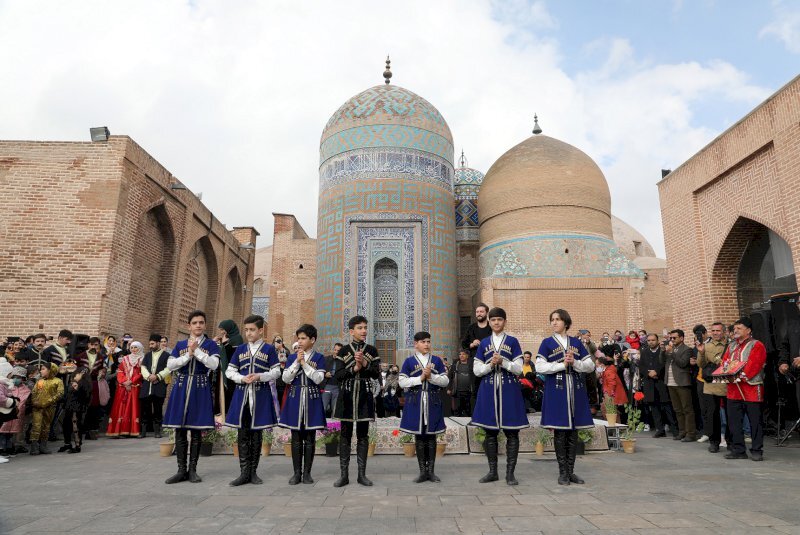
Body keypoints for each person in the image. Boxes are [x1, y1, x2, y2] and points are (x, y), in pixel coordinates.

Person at [536, 309, 595, 486]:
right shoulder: (547, 343)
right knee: (560, 431)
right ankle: (562, 472)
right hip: (557, 390)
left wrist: (575, 362)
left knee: (573, 431)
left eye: (558, 319)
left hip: (575, 390)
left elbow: (590, 365)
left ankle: (571, 471)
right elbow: (540, 367)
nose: (554, 322)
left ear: (566, 323)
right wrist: (561, 365)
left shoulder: (576, 342)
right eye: (552, 319)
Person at [471, 307, 527, 486]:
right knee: (490, 433)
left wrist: (503, 362)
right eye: (493, 320)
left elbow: (519, 368)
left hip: (509, 390)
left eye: (499, 319)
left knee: (512, 433)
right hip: (488, 390)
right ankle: (492, 472)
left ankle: (510, 474)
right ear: (489, 322)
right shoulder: (484, 343)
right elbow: (477, 370)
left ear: (505, 321)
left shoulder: (512, 341)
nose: (496, 322)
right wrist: (490, 365)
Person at [163, 310, 220, 484]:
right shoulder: (181, 344)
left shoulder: (211, 345)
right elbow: (170, 365)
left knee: (196, 430)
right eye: (194, 323)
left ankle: (193, 470)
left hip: (199, 388)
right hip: (181, 387)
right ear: (189, 326)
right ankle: (181, 470)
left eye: (201, 322)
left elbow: (214, 364)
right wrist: (188, 354)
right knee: (179, 430)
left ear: (205, 325)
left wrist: (197, 352)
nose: (198, 325)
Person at [226, 314, 281, 486]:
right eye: (246, 330)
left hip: (260, 395)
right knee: (243, 434)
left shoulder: (269, 349)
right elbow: (229, 371)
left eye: (252, 330)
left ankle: (253, 472)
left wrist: (260, 376)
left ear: (261, 330)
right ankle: (244, 473)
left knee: (257, 434)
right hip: (242, 395)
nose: (248, 333)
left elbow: (276, 372)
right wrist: (241, 378)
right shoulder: (240, 349)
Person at [332, 315, 380, 487]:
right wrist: (354, 368)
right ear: (351, 331)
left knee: (363, 435)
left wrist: (365, 365)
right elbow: (338, 375)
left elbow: (376, 373)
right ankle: (344, 475)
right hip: (347, 395)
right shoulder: (344, 351)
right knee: (344, 435)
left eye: (365, 327)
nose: (364, 331)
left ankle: (361, 475)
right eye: (360, 328)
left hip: (364, 396)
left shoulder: (372, 350)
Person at [399, 331, 449, 483]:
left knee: (431, 436)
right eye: (423, 342)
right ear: (416, 344)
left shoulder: (437, 361)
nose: (426, 344)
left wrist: (431, 377)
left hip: (432, 400)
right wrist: (420, 378)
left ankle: (431, 472)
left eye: (428, 341)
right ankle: (422, 472)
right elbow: (402, 382)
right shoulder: (409, 362)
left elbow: (445, 381)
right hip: (416, 401)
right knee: (419, 436)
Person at [280, 323, 326, 485]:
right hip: (295, 397)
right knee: (296, 437)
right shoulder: (291, 358)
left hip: (312, 399)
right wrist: (296, 363)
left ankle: (307, 473)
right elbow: (285, 378)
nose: (299, 341)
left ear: (312, 340)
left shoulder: (319, 358)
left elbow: (319, 379)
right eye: (298, 338)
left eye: (303, 338)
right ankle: (296, 473)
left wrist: (305, 364)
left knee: (309, 437)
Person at [721, 318, 767, 461]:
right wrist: (725, 372)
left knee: (755, 422)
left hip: (751, 389)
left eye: (739, 328)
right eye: (735, 328)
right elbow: (725, 362)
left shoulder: (756, 345)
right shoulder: (731, 346)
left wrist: (739, 375)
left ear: (748, 330)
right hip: (733, 389)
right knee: (734, 422)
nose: (735, 331)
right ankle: (739, 450)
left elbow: (755, 364)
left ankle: (757, 450)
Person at [637, 333, 678, 438]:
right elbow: (641, 366)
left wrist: (657, 372)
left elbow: (665, 364)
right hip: (649, 383)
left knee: (667, 406)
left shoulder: (662, 351)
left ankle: (674, 429)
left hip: (661, 382)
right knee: (654, 407)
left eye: (653, 340)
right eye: (649, 340)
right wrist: (648, 373)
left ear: (657, 341)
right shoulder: (644, 352)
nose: (651, 342)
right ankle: (660, 429)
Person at [696, 323, 729, 453]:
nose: (715, 333)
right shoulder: (706, 346)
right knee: (712, 415)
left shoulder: (730, 345)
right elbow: (701, 364)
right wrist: (701, 353)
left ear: (724, 332)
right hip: (710, 384)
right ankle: (714, 442)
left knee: (730, 415)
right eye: (713, 330)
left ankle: (730, 441)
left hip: (727, 384)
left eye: (718, 330)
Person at [665, 329, 697, 441]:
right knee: (677, 409)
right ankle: (682, 432)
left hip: (682, 382)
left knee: (687, 409)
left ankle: (691, 433)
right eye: (671, 338)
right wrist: (662, 351)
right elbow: (661, 361)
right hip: (670, 382)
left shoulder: (687, 349)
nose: (672, 340)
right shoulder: (671, 349)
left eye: (674, 338)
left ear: (682, 338)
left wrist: (672, 353)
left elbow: (683, 363)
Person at [106, 341, 143, 437]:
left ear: (140, 348)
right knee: (121, 408)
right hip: (123, 387)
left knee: (132, 408)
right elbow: (120, 371)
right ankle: (119, 430)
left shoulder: (142, 359)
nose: (133, 349)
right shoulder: (126, 358)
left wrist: (131, 382)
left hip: (134, 387)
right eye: (132, 347)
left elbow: (141, 373)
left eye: (136, 347)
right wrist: (124, 382)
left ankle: (132, 431)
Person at [140, 334, 171, 439]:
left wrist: (157, 376)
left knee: (158, 409)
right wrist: (149, 377)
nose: (150, 346)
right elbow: (143, 367)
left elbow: (169, 368)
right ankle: (143, 432)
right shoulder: (147, 355)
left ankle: (157, 431)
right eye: (150, 344)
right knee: (145, 409)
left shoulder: (166, 355)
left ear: (158, 343)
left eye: (152, 344)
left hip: (159, 385)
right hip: (147, 385)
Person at [75, 337, 106, 440]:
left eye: (96, 345)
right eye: (91, 344)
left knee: (94, 407)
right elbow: (75, 370)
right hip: (82, 383)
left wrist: (102, 372)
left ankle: (90, 431)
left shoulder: (100, 357)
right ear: (88, 345)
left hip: (94, 383)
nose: (93, 346)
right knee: (82, 406)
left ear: (99, 346)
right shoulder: (80, 356)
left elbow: (103, 369)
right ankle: (79, 430)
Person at [29, 363, 63, 455]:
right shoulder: (39, 381)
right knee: (36, 426)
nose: (41, 371)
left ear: (50, 370)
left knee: (46, 427)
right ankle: (34, 446)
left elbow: (59, 394)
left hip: (50, 408)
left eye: (43, 369)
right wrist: (34, 402)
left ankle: (43, 446)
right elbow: (34, 392)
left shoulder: (58, 381)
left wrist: (47, 402)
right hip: (37, 408)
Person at [0, 366, 30, 456]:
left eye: (19, 377)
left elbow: (24, 402)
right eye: (14, 377)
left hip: (17, 414)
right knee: (2, 432)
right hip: (5, 412)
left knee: (10, 433)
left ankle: (9, 447)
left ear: (23, 379)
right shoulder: (7, 386)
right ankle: (2, 449)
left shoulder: (26, 390)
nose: (16, 379)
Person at [60, 366, 91, 453]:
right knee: (66, 425)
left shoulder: (84, 384)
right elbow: (68, 395)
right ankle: (67, 443)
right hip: (69, 407)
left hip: (76, 409)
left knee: (76, 426)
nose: (75, 376)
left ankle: (77, 446)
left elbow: (85, 397)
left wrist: (76, 389)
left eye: (77, 374)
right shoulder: (73, 383)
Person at [215, 319, 243, 416]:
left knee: (230, 393)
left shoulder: (237, 339)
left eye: (223, 329)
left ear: (228, 328)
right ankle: (220, 413)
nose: (221, 332)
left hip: (232, 372)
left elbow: (234, 356)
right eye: (220, 330)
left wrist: (225, 344)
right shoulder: (224, 339)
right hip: (222, 371)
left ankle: (229, 414)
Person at [447, 349, 474, 417]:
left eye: (463, 354)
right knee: (457, 412)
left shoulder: (472, 366)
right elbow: (449, 377)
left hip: (469, 392)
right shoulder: (455, 366)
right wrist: (449, 388)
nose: (461, 356)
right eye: (460, 354)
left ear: (467, 356)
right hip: (457, 392)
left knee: (468, 412)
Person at [322, 343, 342, 417]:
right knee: (323, 407)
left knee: (335, 409)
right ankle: (321, 423)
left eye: (338, 351)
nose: (336, 352)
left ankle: (334, 424)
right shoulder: (326, 359)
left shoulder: (343, 361)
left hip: (337, 387)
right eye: (335, 350)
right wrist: (325, 374)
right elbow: (319, 371)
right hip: (327, 386)